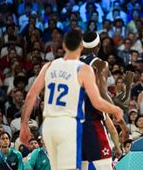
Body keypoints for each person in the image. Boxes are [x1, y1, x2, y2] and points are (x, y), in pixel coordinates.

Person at [19, 29, 123, 170]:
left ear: (63, 45)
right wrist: (115, 109)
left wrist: (24, 124)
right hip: (70, 125)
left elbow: (31, 96)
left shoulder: (48, 66)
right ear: (81, 47)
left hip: (49, 127)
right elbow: (97, 101)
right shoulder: (84, 69)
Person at [80, 31, 127, 169]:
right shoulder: (99, 64)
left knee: (81, 166)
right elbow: (102, 93)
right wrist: (119, 117)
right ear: (99, 46)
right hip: (91, 122)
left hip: (73, 124)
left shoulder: (71, 64)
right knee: (105, 165)